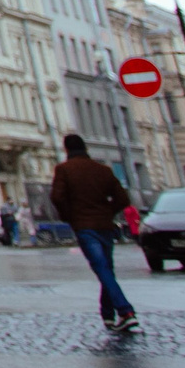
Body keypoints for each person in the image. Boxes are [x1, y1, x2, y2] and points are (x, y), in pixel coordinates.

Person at [47, 134, 137, 333]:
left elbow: (57, 197)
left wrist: (69, 215)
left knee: (102, 268)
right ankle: (107, 315)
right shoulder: (103, 170)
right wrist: (108, 211)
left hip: (84, 226)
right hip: (105, 225)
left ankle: (125, 311)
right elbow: (122, 199)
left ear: (67, 149)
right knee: (106, 269)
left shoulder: (64, 169)